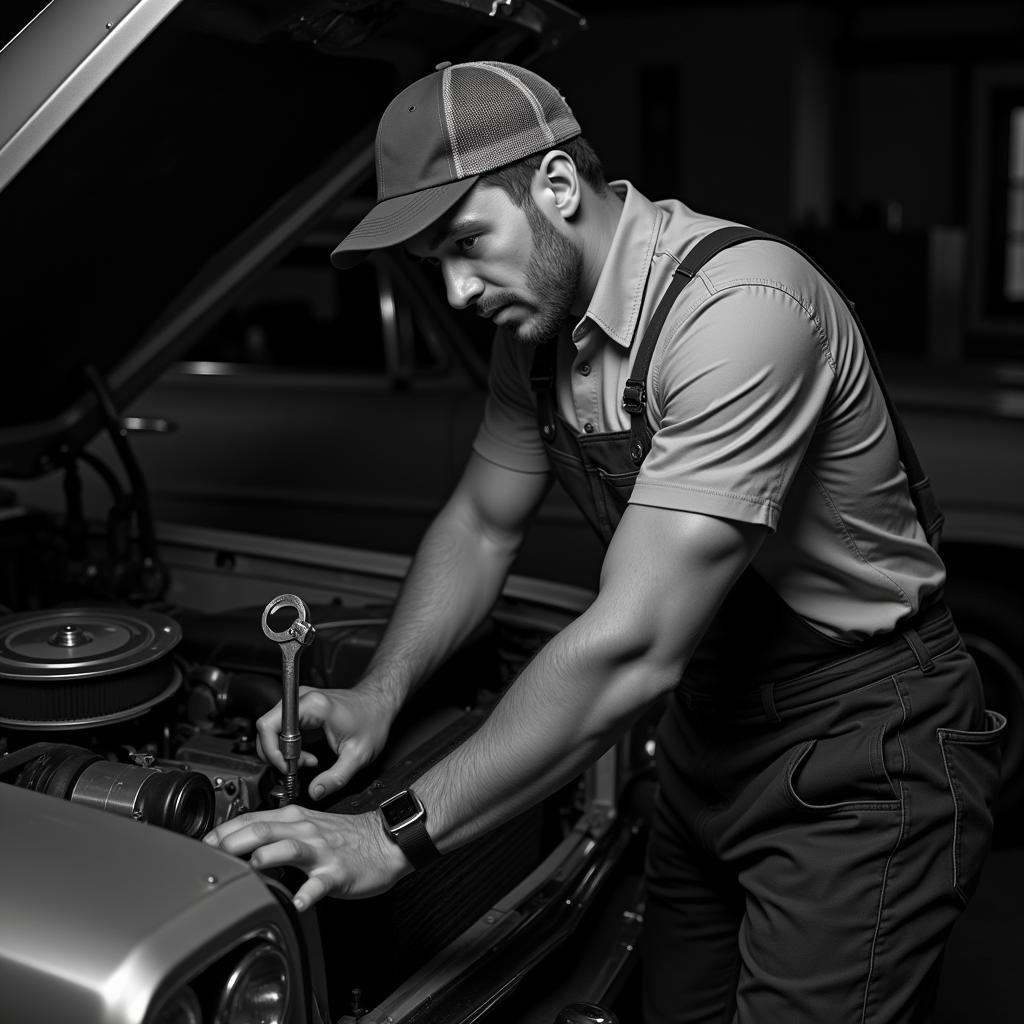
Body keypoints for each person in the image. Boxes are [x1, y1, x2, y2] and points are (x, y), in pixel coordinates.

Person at [204, 60, 1005, 1022]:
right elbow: (481, 522)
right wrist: (381, 689)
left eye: (466, 242)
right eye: (433, 266)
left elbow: (631, 642)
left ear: (554, 184)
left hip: (865, 744)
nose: (458, 291)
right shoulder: (533, 335)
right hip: (710, 733)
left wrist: (389, 833)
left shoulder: (742, 310)